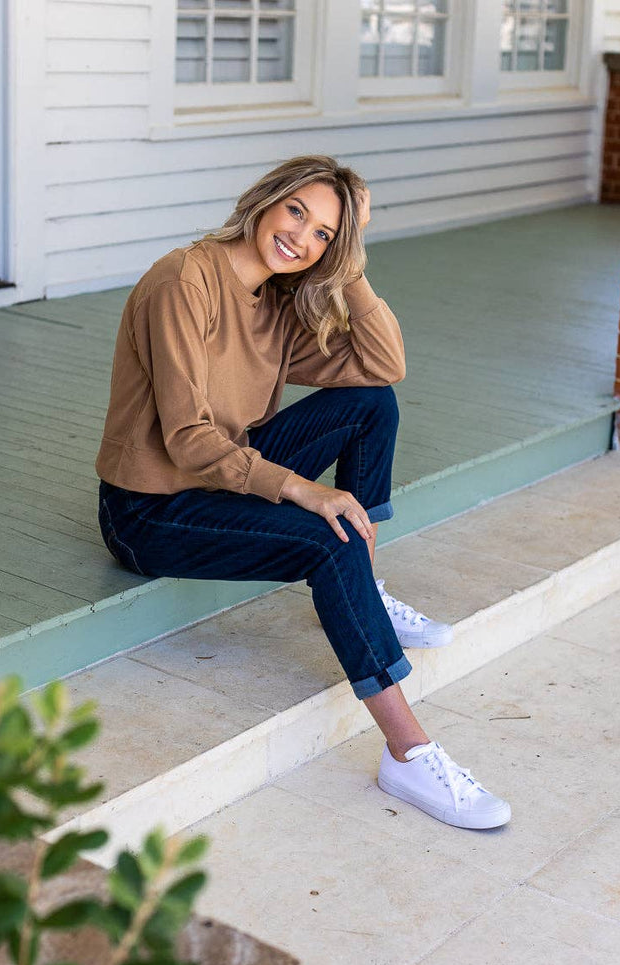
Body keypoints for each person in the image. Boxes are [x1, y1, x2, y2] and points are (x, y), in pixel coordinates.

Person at [96, 155, 510, 830]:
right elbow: (187, 439)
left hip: (223, 478)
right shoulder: (184, 280)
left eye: (324, 234)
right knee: (326, 536)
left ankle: (362, 588)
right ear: (266, 199)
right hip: (151, 509)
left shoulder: (278, 303)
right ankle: (408, 752)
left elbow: (382, 364)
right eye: (297, 212)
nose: (301, 238)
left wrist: (352, 264)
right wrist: (302, 491)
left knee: (371, 405)